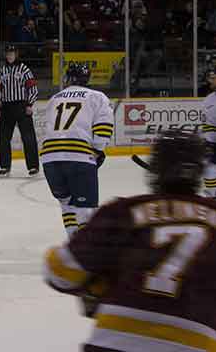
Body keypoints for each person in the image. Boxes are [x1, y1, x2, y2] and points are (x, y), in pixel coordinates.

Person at [44, 130, 216, 351]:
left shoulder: (122, 211)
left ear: (156, 168)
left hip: (114, 341)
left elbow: (61, 273)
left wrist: (98, 284)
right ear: (200, 172)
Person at [40, 63, 113, 237]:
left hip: (50, 159)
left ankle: (74, 244)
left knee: (66, 204)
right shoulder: (97, 97)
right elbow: (103, 127)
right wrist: (98, 150)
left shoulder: (54, 98)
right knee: (86, 211)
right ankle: (87, 252)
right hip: (78, 157)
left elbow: (48, 130)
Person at [0, 44, 39, 177]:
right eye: (8, 53)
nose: (9, 56)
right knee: (3, 138)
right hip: (7, 107)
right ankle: (5, 166)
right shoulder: (3, 70)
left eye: (12, 53)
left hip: (21, 106)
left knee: (28, 137)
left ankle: (33, 166)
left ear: (16, 54)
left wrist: (29, 104)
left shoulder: (24, 69)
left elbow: (33, 88)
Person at [201, 69, 216, 198]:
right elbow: (208, 125)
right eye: (210, 78)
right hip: (212, 143)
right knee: (209, 166)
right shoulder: (208, 100)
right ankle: (212, 196)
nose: (210, 81)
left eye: (213, 78)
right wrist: (208, 143)